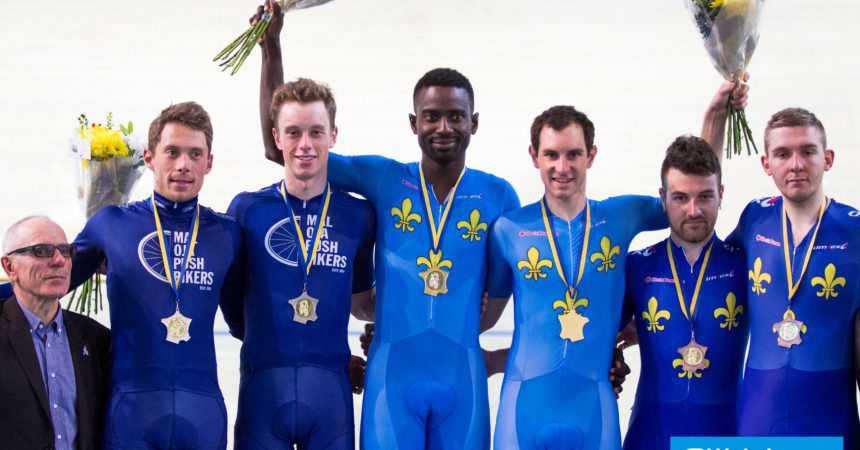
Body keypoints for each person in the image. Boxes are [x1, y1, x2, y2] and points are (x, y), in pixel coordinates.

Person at [256, 11, 518, 445]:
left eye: (456, 116)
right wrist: (271, 49)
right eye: (431, 116)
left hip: (463, 379)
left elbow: (494, 305)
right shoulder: (383, 179)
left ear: (474, 122)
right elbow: (279, 147)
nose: (443, 127)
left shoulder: (499, 195)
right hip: (391, 378)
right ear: (414, 123)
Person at [0, 103, 243, 449]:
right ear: (148, 157)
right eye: (172, 152)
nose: (183, 165)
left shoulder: (228, 234)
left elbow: (246, 323)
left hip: (201, 409)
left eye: (194, 153)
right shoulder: (112, 224)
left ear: (209, 162)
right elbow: (48, 280)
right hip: (131, 411)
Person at [487, 105, 671, 449]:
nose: (562, 166)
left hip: (593, 411)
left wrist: (716, 117)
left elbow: (687, 192)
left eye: (573, 154)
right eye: (551, 154)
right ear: (534, 156)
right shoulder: (508, 230)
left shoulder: (621, 217)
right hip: (523, 409)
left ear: (591, 155)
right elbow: (484, 315)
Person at [703, 93, 860, 448]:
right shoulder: (755, 218)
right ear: (766, 163)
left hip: (831, 420)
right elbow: (700, 186)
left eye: (807, 151)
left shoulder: (855, 230)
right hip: (760, 418)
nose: (796, 164)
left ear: (828, 158)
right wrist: (715, 116)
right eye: (783, 154)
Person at [226, 77, 375, 449]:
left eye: (315, 132)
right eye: (293, 133)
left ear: (333, 135)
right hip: (263, 388)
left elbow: (361, 302)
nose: (305, 144)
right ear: (277, 138)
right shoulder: (246, 210)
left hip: (330, 394)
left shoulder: (359, 214)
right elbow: (227, 296)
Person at [620, 136, 748, 450]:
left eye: (705, 196)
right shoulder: (636, 266)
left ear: (721, 194)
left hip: (726, 433)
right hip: (650, 434)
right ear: (662, 198)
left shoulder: (745, 265)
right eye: (680, 197)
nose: (693, 210)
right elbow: (600, 337)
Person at [0, 216, 112, 450]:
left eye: (66, 250)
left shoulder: (96, 339)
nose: (59, 260)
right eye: (42, 251)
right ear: (10, 267)